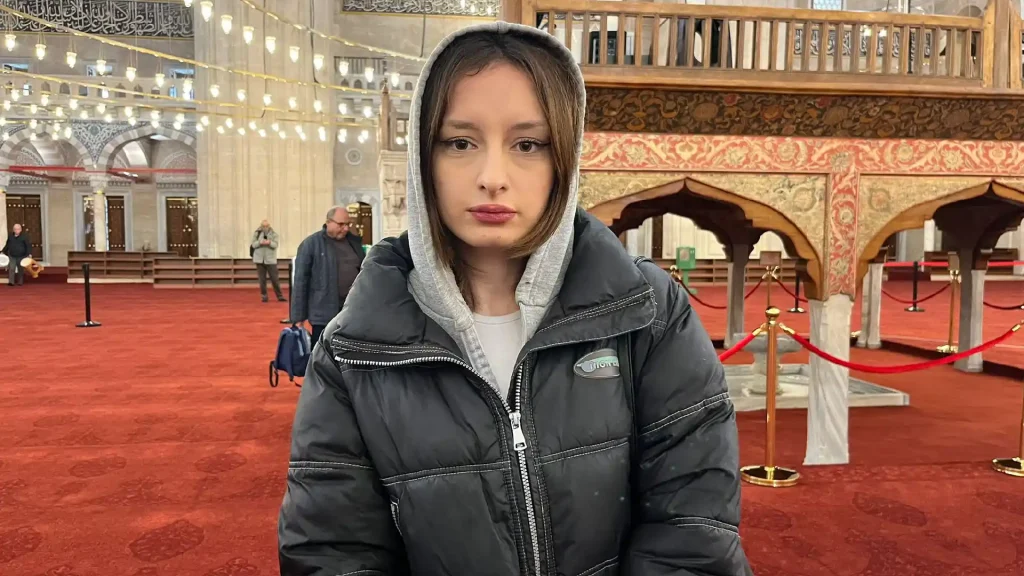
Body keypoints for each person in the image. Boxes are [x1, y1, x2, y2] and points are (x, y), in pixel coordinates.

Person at [279, 23, 750, 576]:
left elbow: (693, 525)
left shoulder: (648, 312)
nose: (492, 177)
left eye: (528, 145)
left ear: (563, 159)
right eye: (460, 143)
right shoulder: (354, 350)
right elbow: (334, 550)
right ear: (424, 159)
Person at [289, 207, 364, 346]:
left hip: (352, 312)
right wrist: (298, 318)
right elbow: (300, 282)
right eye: (341, 224)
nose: (346, 228)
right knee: (322, 355)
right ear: (328, 222)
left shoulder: (354, 243)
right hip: (323, 314)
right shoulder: (311, 244)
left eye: (348, 224)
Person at [251, 219, 286, 303]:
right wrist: (260, 242)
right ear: (261, 226)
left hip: (271, 260)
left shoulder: (274, 234)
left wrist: (269, 242)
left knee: (275, 279)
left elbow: (275, 245)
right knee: (262, 280)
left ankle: (280, 296)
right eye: (263, 226)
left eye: (266, 226)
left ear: (269, 226)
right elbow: (253, 245)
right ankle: (264, 296)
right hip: (259, 260)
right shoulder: (257, 233)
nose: (265, 227)